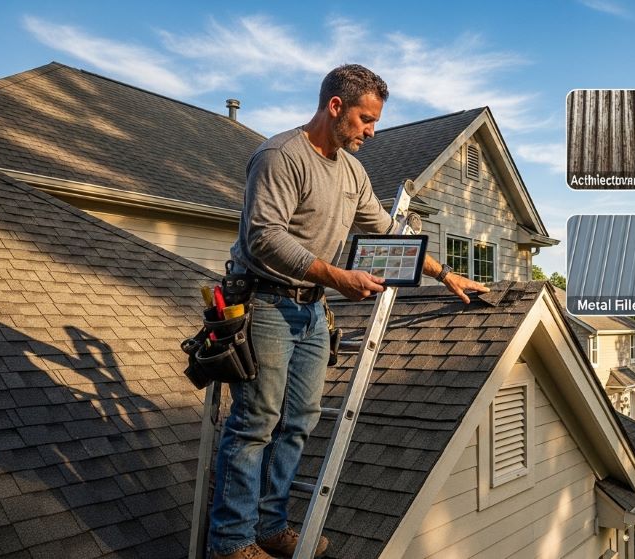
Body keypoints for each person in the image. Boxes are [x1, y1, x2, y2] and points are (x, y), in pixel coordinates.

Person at [209, 64, 488, 559]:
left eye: (375, 121)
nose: (371, 132)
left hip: (312, 311)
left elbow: (387, 233)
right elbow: (264, 237)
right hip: (266, 301)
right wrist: (340, 277)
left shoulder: (352, 172)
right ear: (335, 107)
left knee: (298, 421)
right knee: (256, 421)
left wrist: (444, 274)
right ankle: (232, 541)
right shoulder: (280, 156)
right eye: (365, 119)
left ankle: (271, 526)